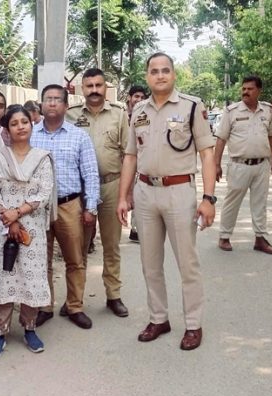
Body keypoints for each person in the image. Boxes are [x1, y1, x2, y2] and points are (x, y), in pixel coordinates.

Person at [116, 53, 216, 351]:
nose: (160, 75)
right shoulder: (138, 112)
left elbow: (207, 153)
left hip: (179, 192)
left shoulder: (191, 106)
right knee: (150, 263)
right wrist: (123, 196)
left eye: (165, 71)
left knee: (187, 263)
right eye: (154, 71)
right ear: (147, 76)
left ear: (174, 75)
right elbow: (131, 156)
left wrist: (209, 198)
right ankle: (159, 318)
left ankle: (194, 324)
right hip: (146, 193)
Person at [0, 105, 56, 359]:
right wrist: (9, 218)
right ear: (7, 128)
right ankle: (0, 332)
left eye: (25, 121)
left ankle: (30, 328)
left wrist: (18, 213)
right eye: (14, 123)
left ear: (31, 124)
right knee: (4, 276)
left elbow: (44, 192)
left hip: (32, 227)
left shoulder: (42, 158)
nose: (21, 127)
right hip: (2, 227)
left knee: (30, 276)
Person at [31, 84, 100, 330]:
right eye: (47, 99)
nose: (52, 103)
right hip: (37, 207)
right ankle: (44, 306)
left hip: (69, 205)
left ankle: (74, 306)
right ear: (40, 104)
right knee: (41, 259)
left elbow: (90, 173)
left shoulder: (78, 135)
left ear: (65, 105)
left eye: (57, 99)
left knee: (75, 259)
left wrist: (90, 207)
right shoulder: (30, 134)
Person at [66, 68, 129, 318]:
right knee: (78, 248)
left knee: (112, 245)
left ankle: (113, 295)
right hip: (79, 190)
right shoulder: (71, 116)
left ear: (106, 88)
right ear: (83, 89)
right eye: (89, 86)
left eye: (98, 85)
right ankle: (74, 299)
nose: (94, 90)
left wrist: (127, 194)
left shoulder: (119, 114)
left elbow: (129, 156)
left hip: (111, 185)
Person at [214, 76, 272, 255]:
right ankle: (224, 236)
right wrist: (216, 164)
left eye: (250, 89)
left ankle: (260, 238)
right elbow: (221, 139)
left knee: (260, 203)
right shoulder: (231, 111)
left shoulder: (266, 111)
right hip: (239, 165)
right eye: (243, 88)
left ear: (259, 91)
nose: (245, 92)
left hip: (261, 165)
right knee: (232, 202)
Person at [126, 85, 148, 242]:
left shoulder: (146, 116)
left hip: (138, 163)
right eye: (136, 97)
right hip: (118, 163)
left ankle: (135, 229)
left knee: (137, 196)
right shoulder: (120, 115)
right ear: (129, 97)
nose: (139, 100)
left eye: (142, 97)